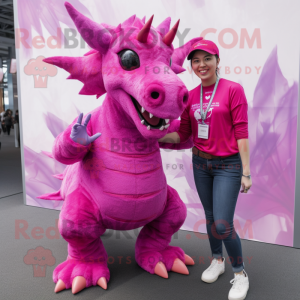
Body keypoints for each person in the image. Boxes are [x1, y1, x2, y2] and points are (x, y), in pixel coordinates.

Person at [158, 40, 252, 300]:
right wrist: (155, 137)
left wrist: (246, 171)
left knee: (223, 223)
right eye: (196, 61)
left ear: (217, 61)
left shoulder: (233, 90)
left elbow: (242, 133)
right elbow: (184, 134)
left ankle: (240, 274)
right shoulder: (190, 96)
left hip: (228, 165)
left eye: (207, 59)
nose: (201, 65)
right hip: (201, 163)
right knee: (210, 218)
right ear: (191, 66)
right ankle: (217, 261)